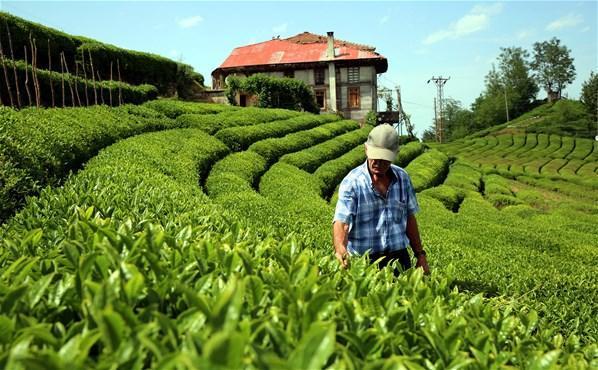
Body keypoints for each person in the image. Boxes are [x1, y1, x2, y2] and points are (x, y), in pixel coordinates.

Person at [332, 124, 430, 275]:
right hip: (365, 262)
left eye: (384, 159)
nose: (378, 162)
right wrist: (341, 250)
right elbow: (342, 222)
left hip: (399, 260)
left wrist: (420, 255)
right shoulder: (352, 182)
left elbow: (409, 218)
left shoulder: (403, 178)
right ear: (366, 149)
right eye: (375, 156)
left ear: (395, 154)